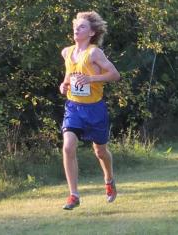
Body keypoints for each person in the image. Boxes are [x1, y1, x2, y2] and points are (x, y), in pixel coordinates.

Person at [59, 11, 120, 210]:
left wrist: (91, 79)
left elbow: (114, 75)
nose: (77, 29)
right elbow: (70, 75)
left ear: (92, 32)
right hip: (74, 107)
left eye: (82, 26)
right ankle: (73, 195)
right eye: (76, 26)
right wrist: (64, 85)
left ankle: (109, 180)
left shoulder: (94, 53)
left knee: (100, 151)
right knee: (68, 146)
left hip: (95, 109)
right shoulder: (67, 52)